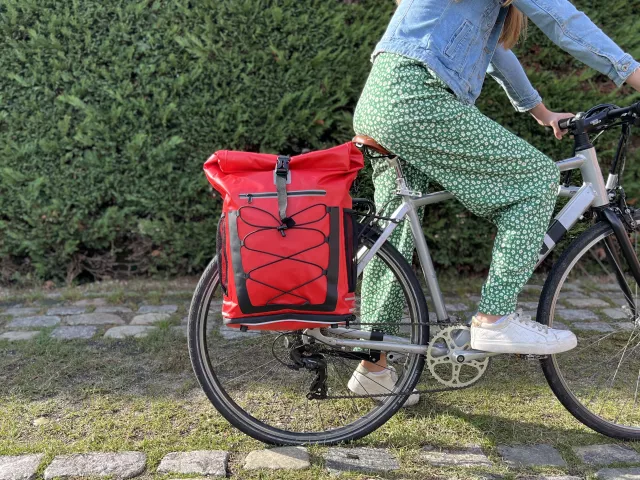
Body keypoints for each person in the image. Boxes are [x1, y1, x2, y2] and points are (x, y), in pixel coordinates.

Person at [348, 0, 640, 405]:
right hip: (416, 98)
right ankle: (495, 317)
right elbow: (562, 21)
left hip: (382, 100)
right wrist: (631, 73)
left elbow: (496, 53)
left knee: (393, 236)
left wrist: (539, 111)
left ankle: (373, 369)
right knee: (537, 178)